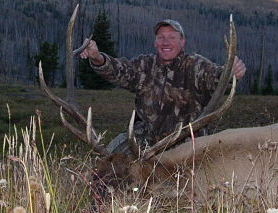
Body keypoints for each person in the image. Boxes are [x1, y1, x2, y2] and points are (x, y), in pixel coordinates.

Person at [80, 19, 246, 154]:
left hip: (188, 144)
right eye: (161, 37)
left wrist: (230, 73)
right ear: (155, 43)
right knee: (108, 161)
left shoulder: (196, 66)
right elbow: (119, 70)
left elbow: (216, 77)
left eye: (172, 37)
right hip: (145, 143)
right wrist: (97, 57)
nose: (166, 42)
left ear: (182, 42)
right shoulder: (144, 65)